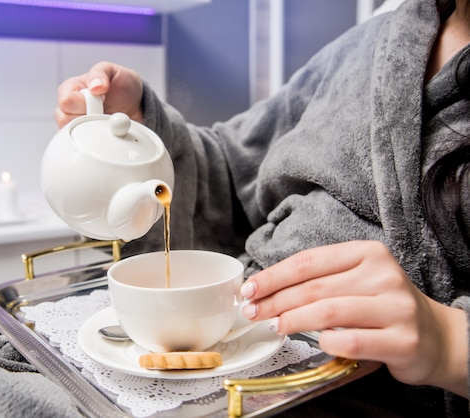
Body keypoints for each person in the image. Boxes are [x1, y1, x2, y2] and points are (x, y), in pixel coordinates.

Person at [55, 0, 470, 415]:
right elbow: (235, 174)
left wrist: (450, 344)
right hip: (235, 339)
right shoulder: (370, 43)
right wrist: (145, 130)